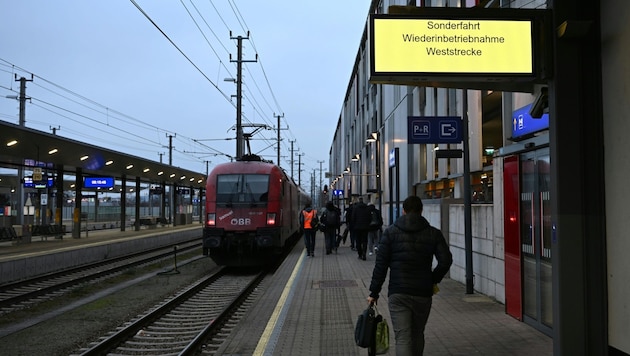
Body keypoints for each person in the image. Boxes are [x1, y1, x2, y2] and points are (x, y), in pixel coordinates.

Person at [367, 195, 453, 355]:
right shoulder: (433, 233)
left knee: (402, 337)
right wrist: (433, 280)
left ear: (403, 211)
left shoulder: (390, 233)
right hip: (422, 293)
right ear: (421, 211)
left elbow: (381, 266)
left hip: (398, 293)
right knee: (417, 333)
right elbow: (446, 260)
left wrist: (374, 292)